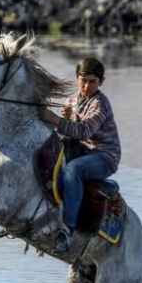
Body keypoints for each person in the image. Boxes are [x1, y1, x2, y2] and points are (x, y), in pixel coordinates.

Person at [37, 57, 121, 254]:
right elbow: (66, 135)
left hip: (104, 156)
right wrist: (64, 119)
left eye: (92, 81)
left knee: (73, 170)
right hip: (81, 152)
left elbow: (84, 132)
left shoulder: (101, 103)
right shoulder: (72, 101)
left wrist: (54, 118)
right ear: (76, 78)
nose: (86, 86)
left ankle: (68, 229)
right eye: (83, 80)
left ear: (101, 82)